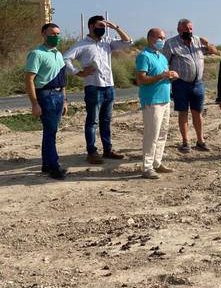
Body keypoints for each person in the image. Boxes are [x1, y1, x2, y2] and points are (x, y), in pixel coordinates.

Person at [63, 15, 134, 164]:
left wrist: (115, 27)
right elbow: (65, 59)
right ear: (91, 26)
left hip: (109, 86)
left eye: (104, 26)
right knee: (92, 121)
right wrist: (78, 72)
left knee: (106, 120)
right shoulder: (81, 44)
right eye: (99, 26)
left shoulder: (107, 43)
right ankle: (92, 152)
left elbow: (128, 43)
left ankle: (108, 150)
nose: (102, 29)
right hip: (93, 87)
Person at [162, 18, 218, 153]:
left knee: (197, 113)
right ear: (179, 30)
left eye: (191, 28)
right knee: (183, 112)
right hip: (180, 84)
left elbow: (214, 51)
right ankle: (185, 142)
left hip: (198, 84)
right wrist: (168, 80)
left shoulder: (197, 41)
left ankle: (200, 141)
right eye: (186, 29)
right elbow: (164, 62)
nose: (189, 31)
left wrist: (207, 43)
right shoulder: (171, 44)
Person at [25, 23, 68, 180]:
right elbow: (29, 80)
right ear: (43, 34)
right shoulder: (36, 54)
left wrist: (64, 100)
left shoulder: (58, 54)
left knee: (50, 132)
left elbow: (63, 80)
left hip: (57, 96)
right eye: (52, 34)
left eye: (58, 34)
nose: (55, 37)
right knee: (50, 133)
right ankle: (54, 167)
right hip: (45, 96)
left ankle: (46, 164)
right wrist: (35, 103)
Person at [136, 28, 178, 179]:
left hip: (165, 100)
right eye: (160, 37)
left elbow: (164, 75)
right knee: (151, 135)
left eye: (164, 37)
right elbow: (141, 79)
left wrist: (171, 76)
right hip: (152, 101)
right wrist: (161, 76)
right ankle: (147, 167)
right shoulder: (144, 56)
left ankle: (156, 163)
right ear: (150, 38)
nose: (162, 40)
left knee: (162, 133)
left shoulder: (162, 57)